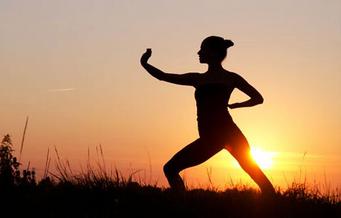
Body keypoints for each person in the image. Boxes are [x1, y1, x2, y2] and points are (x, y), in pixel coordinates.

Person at [140, 36, 275, 195]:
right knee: (255, 173)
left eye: (202, 49)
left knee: (170, 168)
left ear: (213, 53)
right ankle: (275, 203)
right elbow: (163, 76)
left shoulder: (207, 78)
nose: (198, 52)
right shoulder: (203, 78)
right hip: (220, 136)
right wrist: (145, 64)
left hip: (220, 136)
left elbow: (258, 98)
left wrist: (238, 105)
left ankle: (182, 206)